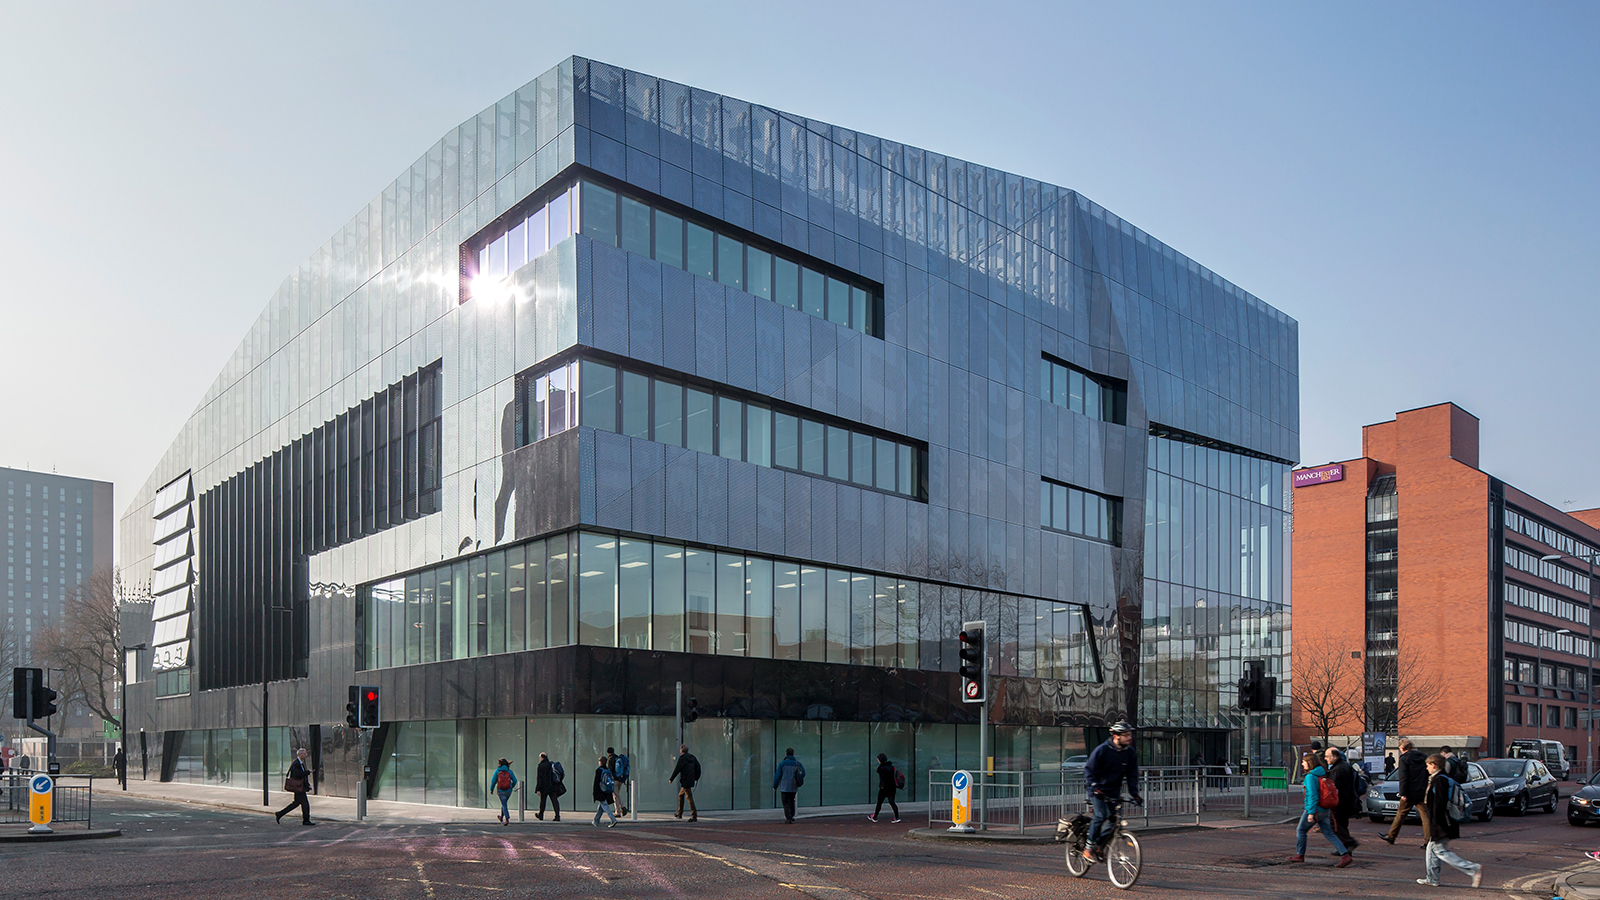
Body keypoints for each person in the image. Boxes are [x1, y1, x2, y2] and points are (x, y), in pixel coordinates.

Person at [1418, 753, 1483, 887]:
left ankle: (1472, 869)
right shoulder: (1443, 778)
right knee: (1431, 849)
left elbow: (1439, 805)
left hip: (1443, 822)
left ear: (1434, 765)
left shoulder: (1439, 781)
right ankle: (1432, 878)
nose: (1426, 768)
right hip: (1444, 821)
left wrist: (1436, 824)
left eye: (1428, 766)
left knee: (1440, 850)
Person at [1082, 720, 1143, 861]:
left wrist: (1135, 794)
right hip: (1098, 790)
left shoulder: (1130, 753)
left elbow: (1132, 775)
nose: (1130, 738)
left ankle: (1099, 846)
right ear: (1116, 736)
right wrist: (1094, 787)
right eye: (1126, 735)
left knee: (1114, 820)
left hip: (1113, 791)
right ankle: (1089, 847)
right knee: (1101, 816)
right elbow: (1089, 769)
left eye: (1130, 735)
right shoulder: (1102, 750)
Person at [1288, 752, 1352, 866]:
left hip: (1314, 809)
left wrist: (1311, 813)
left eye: (1304, 762)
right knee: (1329, 833)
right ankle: (1345, 854)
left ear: (1309, 763)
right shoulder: (1322, 774)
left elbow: (1312, 795)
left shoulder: (1310, 777)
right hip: (1324, 809)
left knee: (1301, 830)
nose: (1302, 764)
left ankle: (1300, 855)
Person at [1382, 739, 1427, 845]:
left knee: (1401, 814)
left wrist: (1403, 793)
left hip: (1409, 792)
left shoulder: (1404, 759)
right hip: (1422, 790)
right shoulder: (1423, 757)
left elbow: (1403, 777)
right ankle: (1428, 840)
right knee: (1425, 816)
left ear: (1402, 748)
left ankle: (1391, 836)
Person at [1324, 747, 1361, 853]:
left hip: (1340, 802)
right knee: (1342, 824)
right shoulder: (1345, 765)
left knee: (1334, 825)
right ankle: (1344, 848)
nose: (1325, 758)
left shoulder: (1338, 769)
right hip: (1347, 800)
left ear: (1334, 757)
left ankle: (1348, 842)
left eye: (1327, 756)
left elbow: (1333, 787)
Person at [274, 747, 316, 826]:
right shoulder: (296, 763)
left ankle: (280, 813)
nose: (306, 755)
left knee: (296, 803)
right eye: (304, 754)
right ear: (300, 754)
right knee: (305, 804)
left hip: (300, 787)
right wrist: (308, 772)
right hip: (298, 788)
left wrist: (307, 785)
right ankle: (306, 820)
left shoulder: (300, 763)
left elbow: (302, 776)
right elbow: (297, 774)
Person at [668, 744, 700, 822]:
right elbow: (698, 767)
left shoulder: (682, 759)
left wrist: (671, 779)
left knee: (689, 797)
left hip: (685, 781)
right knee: (680, 795)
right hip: (690, 780)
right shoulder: (693, 758)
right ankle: (679, 813)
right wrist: (696, 777)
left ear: (681, 751)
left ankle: (694, 815)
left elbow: (677, 769)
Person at [773, 748, 805, 824]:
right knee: (792, 801)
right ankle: (792, 815)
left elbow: (777, 776)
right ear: (793, 754)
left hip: (784, 786)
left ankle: (788, 817)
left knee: (785, 802)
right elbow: (803, 773)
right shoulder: (798, 764)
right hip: (794, 786)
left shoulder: (782, 764)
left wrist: (775, 786)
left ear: (786, 754)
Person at [868, 753, 900, 823]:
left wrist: (881, 785)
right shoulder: (891, 766)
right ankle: (897, 817)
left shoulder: (881, 768)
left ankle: (875, 817)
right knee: (892, 802)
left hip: (884, 788)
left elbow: (882, 778)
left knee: (879, 803)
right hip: (892, 787)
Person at [534, 752, 562, 821]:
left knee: (543, 802)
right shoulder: (551, 764)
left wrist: (538, 789)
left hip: (544, 787)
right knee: (555, 801)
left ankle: (541, 815)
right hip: (552, 786)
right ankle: (557, 816)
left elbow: (539, 778)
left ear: (542, 758)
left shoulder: (541, 766)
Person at [592, 756, 618, 827]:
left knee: (604, 805)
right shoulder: (608, 770)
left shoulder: (599, 770)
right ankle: (596, 820)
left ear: (600, 762)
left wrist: (595, 793)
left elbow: (596, 782)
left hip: (601, 791)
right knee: (601, 806)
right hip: (607, 790)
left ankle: (613, 819)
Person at [491, 757, 518, 825]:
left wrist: (491, 789)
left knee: (504, 804)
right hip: (508, 791)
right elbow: (515, 780)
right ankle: (501, 817)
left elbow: (493, 781)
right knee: (504, 803)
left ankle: (507, 819)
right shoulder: (509, 771)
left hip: (501, 790)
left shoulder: (497, 771)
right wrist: (511, 786)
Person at [606, 747, 630, 817]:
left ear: (608, 753)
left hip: (614, 780)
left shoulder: (610, 759)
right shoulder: (617, 758)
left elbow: (609, 771)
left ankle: (620, 810)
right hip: (620, 779)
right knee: (616, 795)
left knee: (615, 796)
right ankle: (620, 809)